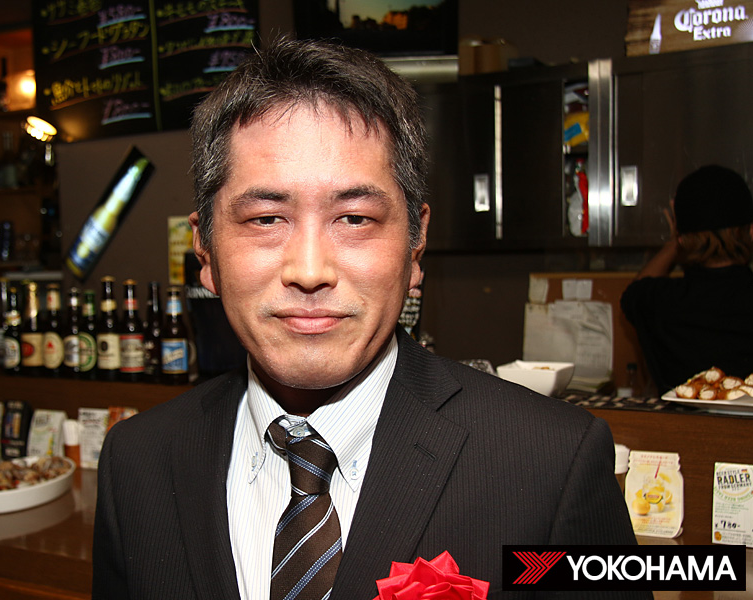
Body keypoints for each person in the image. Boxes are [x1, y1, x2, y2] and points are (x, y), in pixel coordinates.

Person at [93, 38, 643, 599]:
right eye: (266, 219)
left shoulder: (550, 465)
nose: (310, 271)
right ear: (205, 251)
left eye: (355, 218)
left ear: (415, 244)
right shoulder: (136, 463)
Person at [621, 164, 753, 395]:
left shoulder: (661, 302)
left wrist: (675, 243)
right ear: (750, 231)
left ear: (681, 237)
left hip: (676, 419)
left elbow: (633, 295)